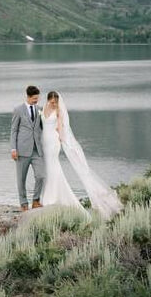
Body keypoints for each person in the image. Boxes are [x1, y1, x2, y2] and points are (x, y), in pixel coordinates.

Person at [40, 91, 122, 219]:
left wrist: (62, 139)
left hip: (53, 142)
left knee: (54, 166)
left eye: (55, 101)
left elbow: (61, 127)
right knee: (47, 168)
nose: (54, 103)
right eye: (52, 101)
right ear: (48, 100)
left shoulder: (59, 111)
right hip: (43, 141)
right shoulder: (44, 108)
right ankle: (47, 195)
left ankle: (54, 196)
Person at [10, 85, 46, 211]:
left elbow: (43, 127)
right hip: (22, 150)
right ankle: (23, 204)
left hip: (37, 149)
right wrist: (13, 149)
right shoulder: (18, 110)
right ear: (28, 97)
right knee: (21, 179)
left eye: (37, 98)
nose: (36, 101)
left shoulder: (39, 109)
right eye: (34, 99)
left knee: (41, 175)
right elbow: (14, 130)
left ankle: (36, 201)